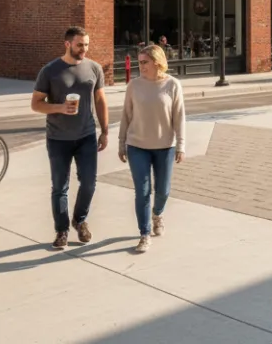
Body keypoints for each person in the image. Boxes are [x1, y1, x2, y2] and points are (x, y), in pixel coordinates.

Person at [32, 26, 108, 250]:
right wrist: (59, 108)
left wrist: (104, 130)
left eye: (86, 45)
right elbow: (36, 104)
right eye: (79, 45)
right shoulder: (50, 71)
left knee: (89, 183)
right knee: (59, 187)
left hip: (86, 135)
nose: (84, 49)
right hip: (58, 138)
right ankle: (62, 230)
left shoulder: (94, 68)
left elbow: (100, 100)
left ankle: (79, 219)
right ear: (67, 44)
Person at [118, 44, 185, 254]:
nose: (141, 66)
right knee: (143, 191)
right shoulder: (134, 85)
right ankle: (144, 234)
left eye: (144, 62)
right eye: (139, 62)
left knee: (163, 190)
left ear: (157, 62)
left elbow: (179, 117)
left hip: (165, 146)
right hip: (137, 145)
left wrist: (181, 145)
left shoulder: (173, 85)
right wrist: (121, 142)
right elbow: (126, 115)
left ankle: (158, 214)